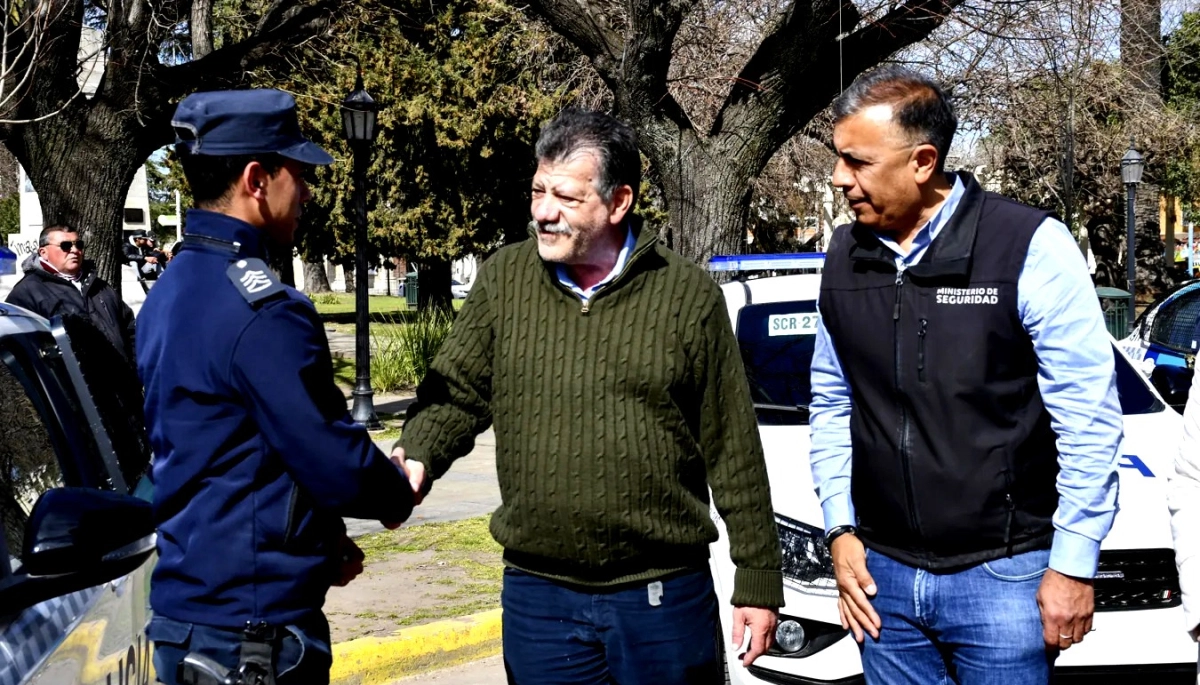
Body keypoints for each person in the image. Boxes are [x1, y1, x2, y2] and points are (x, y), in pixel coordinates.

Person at [391, 108, 783, 684]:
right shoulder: (504, 279)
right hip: (539, 599)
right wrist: (417, 455)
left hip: (661, 598)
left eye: (567, 198)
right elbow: (458, 391)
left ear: (618, 203)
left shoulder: (686, 294)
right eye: (538, 191)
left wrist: (757, 577)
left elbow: (732, 446)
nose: (544, 212)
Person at [809, 66, 1123, 684]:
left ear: (923, 162)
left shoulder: (1028, 245)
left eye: (857, 161)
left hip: (1005, 578)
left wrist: (1074, 563)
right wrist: (840, 528)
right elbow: (832, 401)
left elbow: (1088, 419)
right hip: (883, 582)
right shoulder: (845, 256)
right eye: (838, 159)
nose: (841, 178)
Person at [136, 89, 415, 685]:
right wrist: (396, 491)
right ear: (257, 179)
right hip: (252, 636)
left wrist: (319, 538)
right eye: (299, 172)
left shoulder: (172, 290)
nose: (309, 192)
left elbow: (235, 452)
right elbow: (330, 457)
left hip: (193, 614)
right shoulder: (264, 309)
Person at [6, 224, 136, 361]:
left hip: (122, 379)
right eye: (66, 246)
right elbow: (18, 350)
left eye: (78, 245)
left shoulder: (100, 286)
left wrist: (135, 370)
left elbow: (131, 328)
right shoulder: (26, 292)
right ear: (44, 253)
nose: (75, 250)